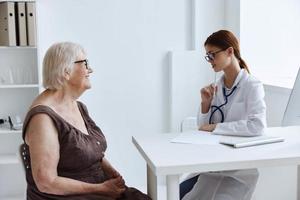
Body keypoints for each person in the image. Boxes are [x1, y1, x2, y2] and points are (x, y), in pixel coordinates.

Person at [21, 42, 151, 200]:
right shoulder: (42, 118)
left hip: (94, 187)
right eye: (85, 63)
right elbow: (46, 182)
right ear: (65, 71)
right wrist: (101, 189)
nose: (90, 69)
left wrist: (111, 172)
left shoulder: (77, 106)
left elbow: (90, 150)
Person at [180, 30, 267, 200]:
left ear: (229, 51)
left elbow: (257, 126)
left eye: (212, 55)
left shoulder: (252, 85)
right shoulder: (216, 87)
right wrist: (205, 105)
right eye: (207, 56)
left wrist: (216, 127)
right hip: (212, 165)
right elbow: (203, 128)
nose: (210, 61)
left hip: (237, 171)